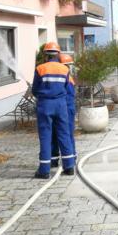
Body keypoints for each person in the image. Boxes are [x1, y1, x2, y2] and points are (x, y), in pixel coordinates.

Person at [31, 42, 75, 179]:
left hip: (45, 105)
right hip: (61, 105)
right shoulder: (64, 69)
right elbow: (67, 88)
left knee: (45, 136)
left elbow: (34, 90)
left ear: (45, 55)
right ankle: (69, 167)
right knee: (64, 134)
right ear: (58, 54)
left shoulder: (40, 68)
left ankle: (44, 171)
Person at [50, 53, 77, 168]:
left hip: (65, 108)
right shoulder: (65, 77)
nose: (68, 68)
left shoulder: (66, 78)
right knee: (63, 134)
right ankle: (66, 159)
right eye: (67, 65)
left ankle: (68, 159)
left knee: (62, 134)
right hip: (64, 108)